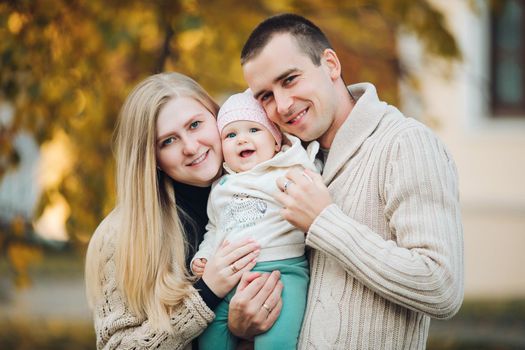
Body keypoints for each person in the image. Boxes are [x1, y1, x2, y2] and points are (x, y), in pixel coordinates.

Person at [228, 13, 464, 349]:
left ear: (331, 64)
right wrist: (242, 328)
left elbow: (442, 286)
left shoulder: (405, 144)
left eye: (290, 79)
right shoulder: (283, 165)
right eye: (265, 95)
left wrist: (324, 222)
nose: (282, 105)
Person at [84, 72, 281, 350]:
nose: (190, 147)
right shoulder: (121, 234)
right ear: (152, 158)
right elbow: (116, 346)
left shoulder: (275, 179)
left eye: (195, 125)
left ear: (217, 117)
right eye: (168, 141)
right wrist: (206, 294)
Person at [192, 89, 319, 349]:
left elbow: (312, 190)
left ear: (275, 141)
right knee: (209, 337)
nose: (241, 140)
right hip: (231, 280)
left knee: (277, 342)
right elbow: (214, 227)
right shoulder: (222, 186)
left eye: (253, 130)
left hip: (284, 272)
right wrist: (204, 255)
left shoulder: (285, 169)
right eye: (230, 134)